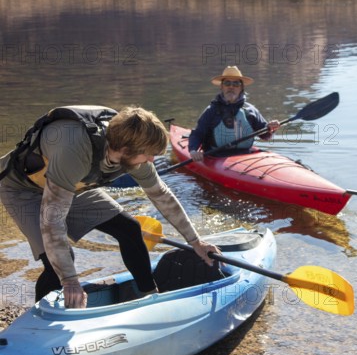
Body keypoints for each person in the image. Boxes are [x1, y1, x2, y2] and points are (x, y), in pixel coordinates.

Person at [0, 105, 220, 309]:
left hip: (74, 184)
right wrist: (70, 281)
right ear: (125, 149)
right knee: (57, 262)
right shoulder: (74, 150)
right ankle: (40, 322)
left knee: (130, 229)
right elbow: (52, 220)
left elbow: (161, 195)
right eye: (147, 154)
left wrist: (195, 241)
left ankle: (149, 296)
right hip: (23, 189)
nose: (151, 160)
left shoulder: (135, 152)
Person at [189, 66, 280, 160]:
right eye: (227, 83)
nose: (231, 87)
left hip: (245, 156)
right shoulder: (211, 111)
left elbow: (265, 135)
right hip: (217, 156)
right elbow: (197, 134)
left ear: (241, 87)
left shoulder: (251, 110)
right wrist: (193, 150)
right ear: (221, 87)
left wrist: (271, 128)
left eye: (236, 83)